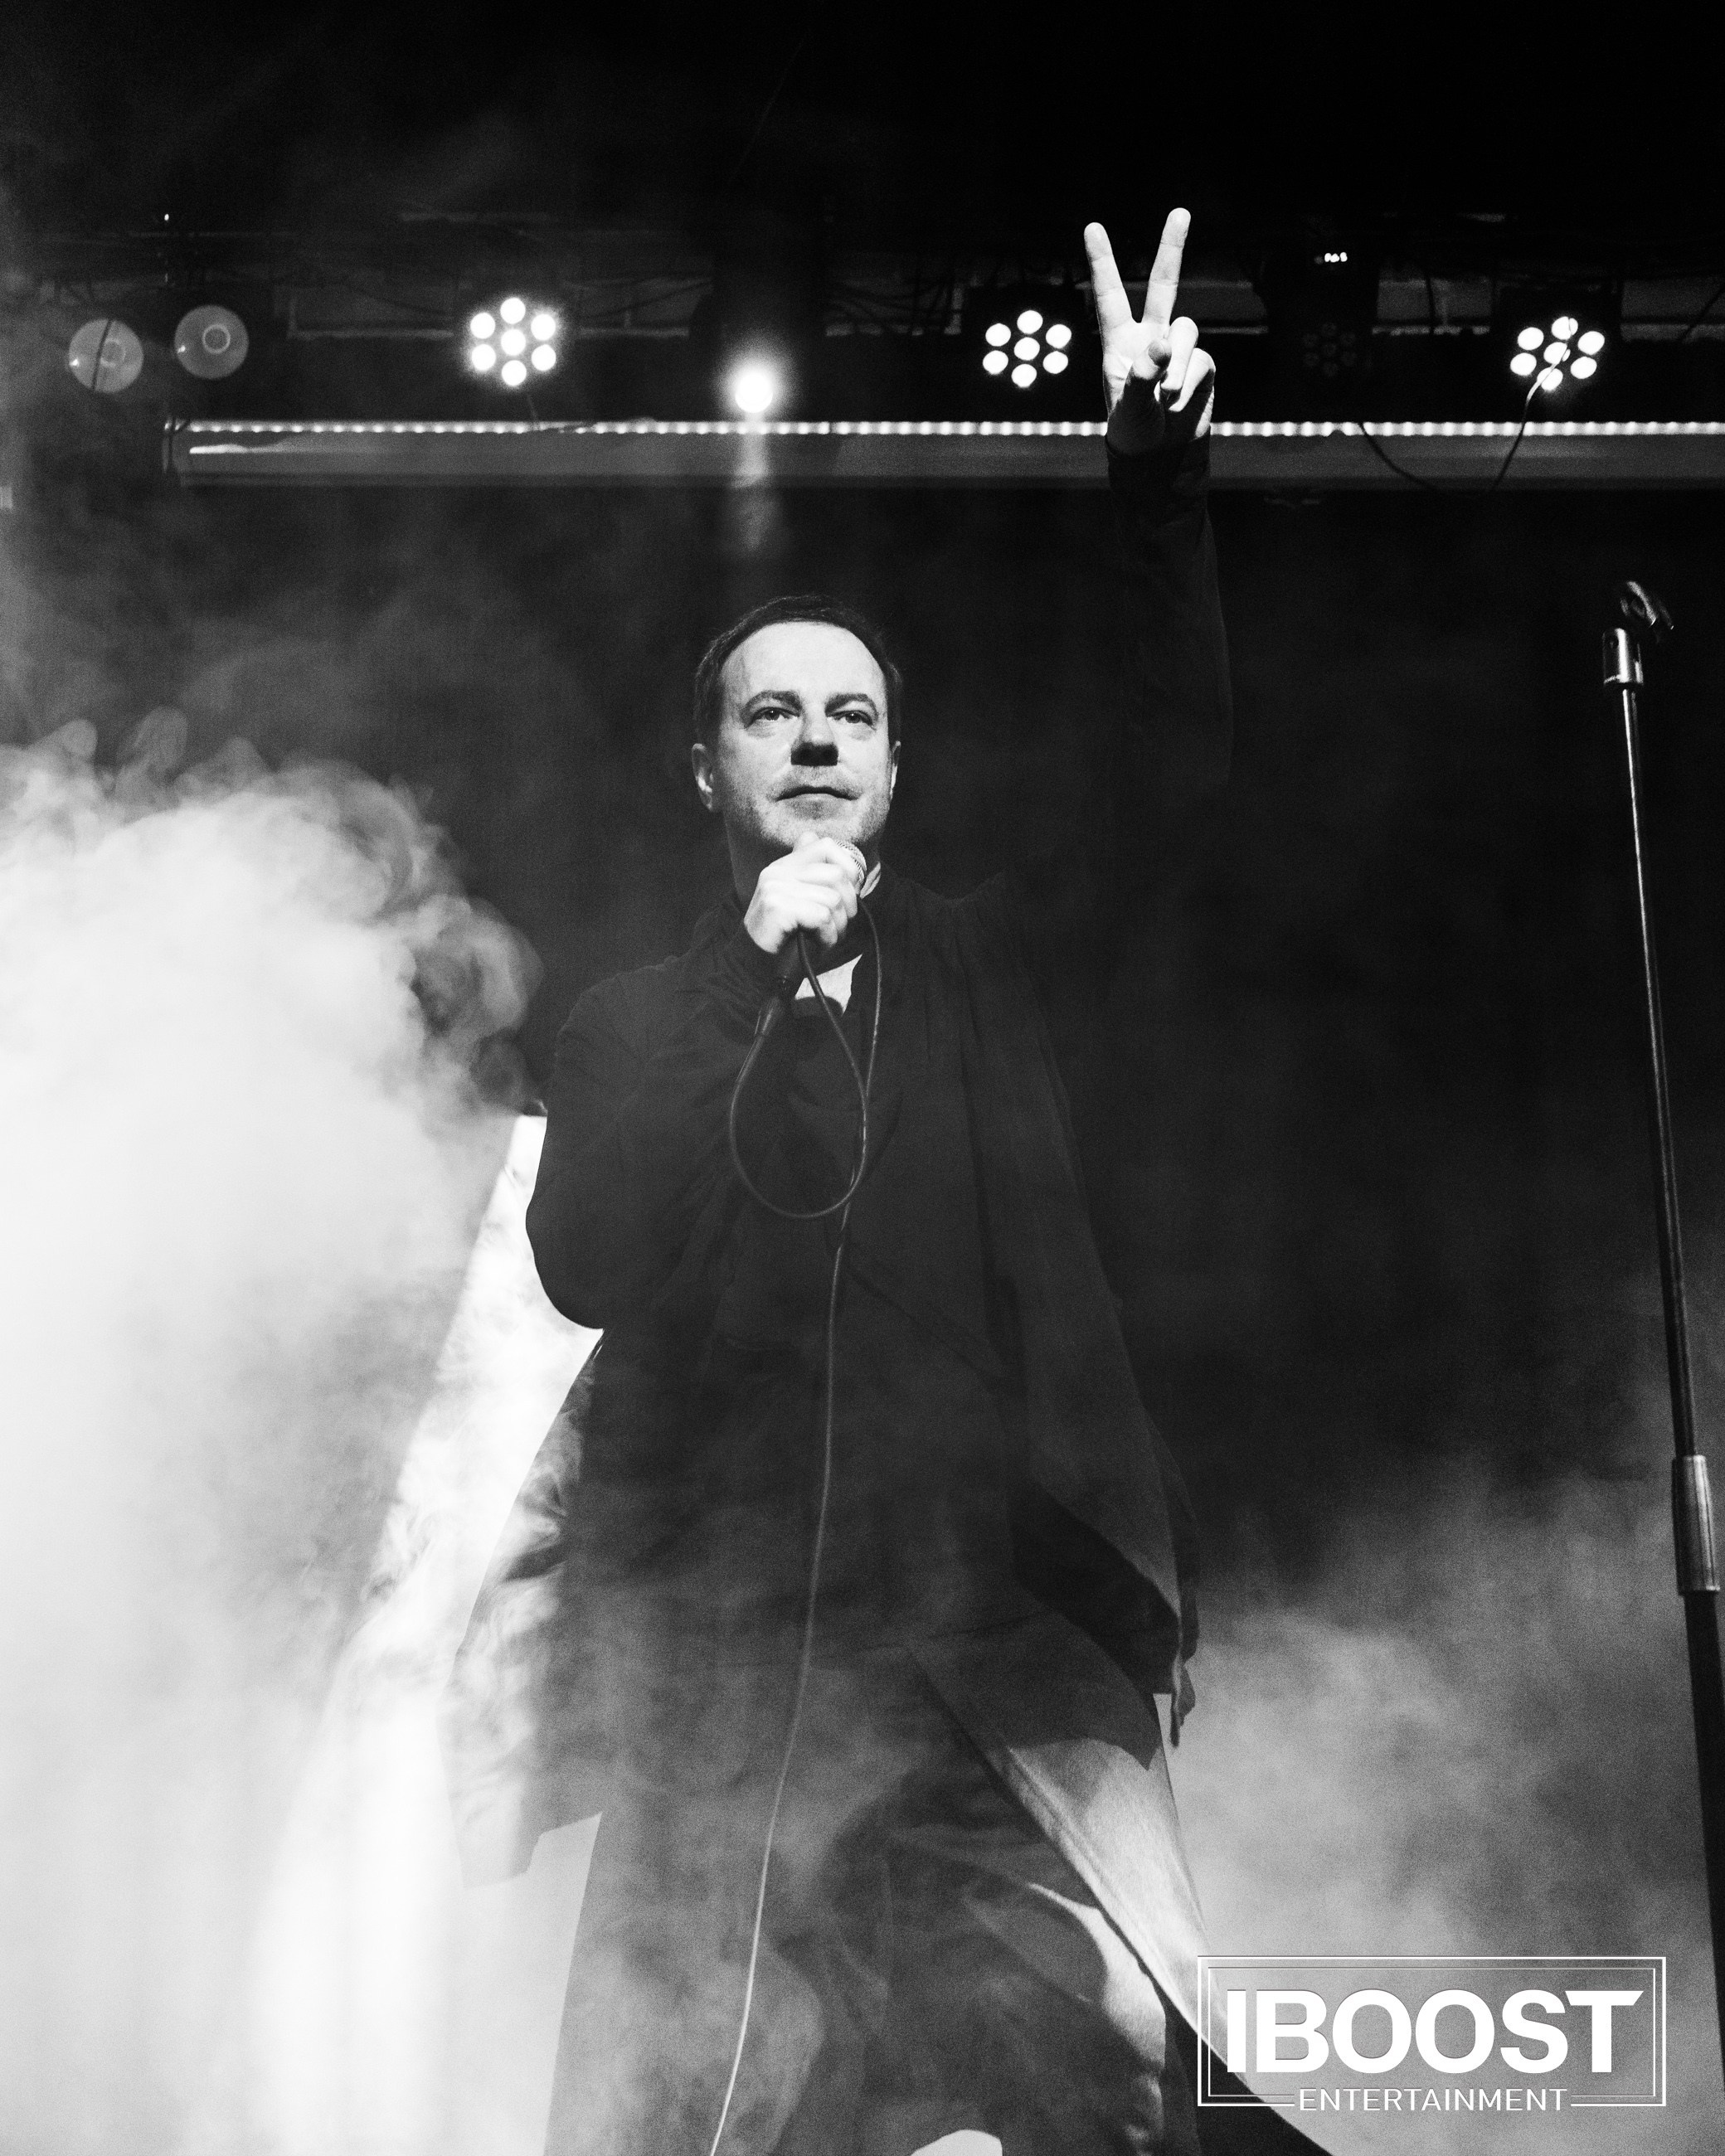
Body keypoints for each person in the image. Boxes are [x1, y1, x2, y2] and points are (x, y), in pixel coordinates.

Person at [443, 209, 1315, 2155]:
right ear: (706, 771)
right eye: (774, 710)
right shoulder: (633, 1021)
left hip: (978, 1677)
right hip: (723, 1703)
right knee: (684, 2110)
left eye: (851, 716)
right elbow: (586, 1268)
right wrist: (749, 974)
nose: (818, 736)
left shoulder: (977, 967)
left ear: (898, 773)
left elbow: (1168, 782)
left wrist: (1156, 479)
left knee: (1123, 2093)